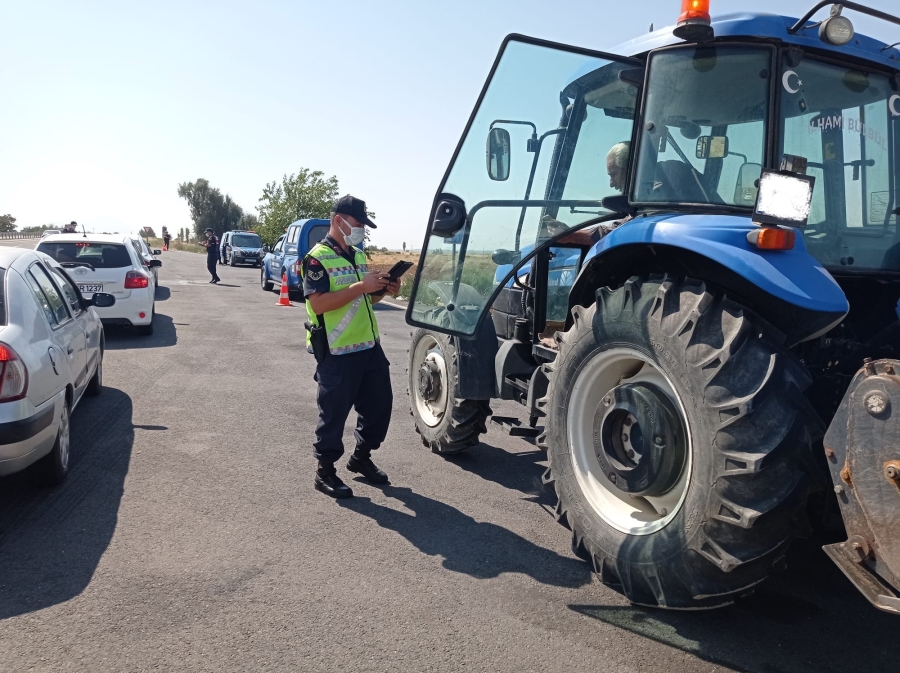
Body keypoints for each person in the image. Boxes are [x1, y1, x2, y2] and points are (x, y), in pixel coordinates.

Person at [303, 194, 401, 499]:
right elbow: (319, 304)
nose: (361, 230)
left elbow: (365, 300)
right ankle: (325, 471)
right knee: (333, 413)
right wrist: (360, 286)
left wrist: (384, 290)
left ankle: (361, 457)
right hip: (338, 350)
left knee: (379, 406)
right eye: (358, 224)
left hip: (368, 346)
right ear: (338, 221)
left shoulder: (357, 255)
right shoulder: (316, 259)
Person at [545, 141, 631, 246]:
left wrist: (572, 235)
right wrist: (571, 233)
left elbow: (620, 233)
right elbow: (620, 227)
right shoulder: (642, 207)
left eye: (613, 175)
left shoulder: (645, 207)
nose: (611, 184)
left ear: (631, 171)